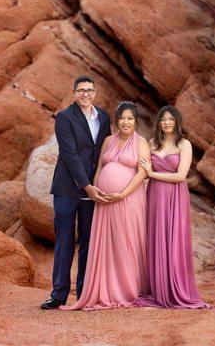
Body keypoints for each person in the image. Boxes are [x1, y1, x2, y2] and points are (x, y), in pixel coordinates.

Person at [61, 101, 150, 311]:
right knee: (106, 244)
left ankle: (128, 290)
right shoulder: (109, 140)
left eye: (130, 118)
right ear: (116, 121)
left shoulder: (141, 143)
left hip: (129, 199)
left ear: (135, 121)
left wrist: (122, 194)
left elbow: (143, 172)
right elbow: (100, 166)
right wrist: (95, 190)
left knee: (125, 241)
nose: (126, 122)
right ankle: (107, 289)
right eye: (122, 118)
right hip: (104, 202)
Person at [40, 76, 111, 309]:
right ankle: (58, 294)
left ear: (95, 92)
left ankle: (84, 294)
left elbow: (104, 150)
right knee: (64, 242)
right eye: (81, 91)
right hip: (67, 190)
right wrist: (86, 186)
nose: (85, 94)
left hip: (94, 191)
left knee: (89, 243)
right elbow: (69, 154)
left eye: (89, 90)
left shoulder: (103, 117)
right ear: (74, 93)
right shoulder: (64, 117)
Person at [137, 105, 210, 309]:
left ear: (177, 121)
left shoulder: (184, 144)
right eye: (163, 119)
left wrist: (152, 174)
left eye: (171, 119)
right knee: (155, 238)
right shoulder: (151, 143)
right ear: (159, 122)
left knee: (174, 238)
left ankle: (175, 289)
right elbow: (140, 166)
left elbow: (180, 176)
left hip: (175, 196)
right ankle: (159, 289)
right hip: (154, 195)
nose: (167, 122)